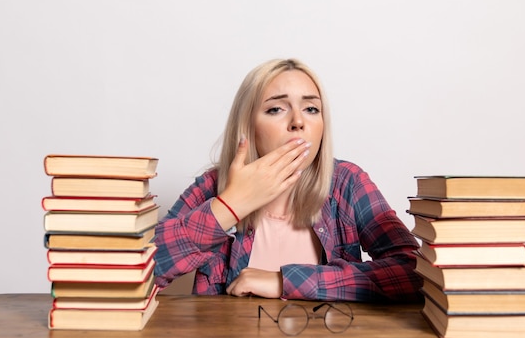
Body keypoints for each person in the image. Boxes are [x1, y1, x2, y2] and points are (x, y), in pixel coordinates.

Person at [154, 58, 422, 302]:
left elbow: (414, 269)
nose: (297, 122)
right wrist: (230, 206)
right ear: (248, 126)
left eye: (311, 108)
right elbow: (141, 269)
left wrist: (285, 281)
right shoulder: (214, 186)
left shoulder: (347, 182)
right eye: (276, 109)